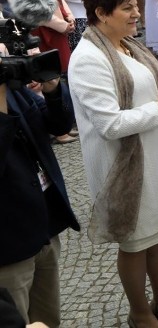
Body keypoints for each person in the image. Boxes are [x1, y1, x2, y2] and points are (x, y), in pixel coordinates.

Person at [67, 0, 158, 328]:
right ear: (100, 13)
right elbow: (109, 125)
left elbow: (148, 85)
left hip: (152, 152)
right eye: (127, 8)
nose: (137, 14)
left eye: (136, 6)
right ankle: (139, 313)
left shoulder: (126, 44)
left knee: (157, 233)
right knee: (135, 240)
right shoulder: (88, 59)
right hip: (122, 164)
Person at [0, 56, 79, 327]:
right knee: (16, 319)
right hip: (8, 245)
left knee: (47, 319)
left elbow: (57, 126)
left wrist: (53, 88)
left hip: (43, 225)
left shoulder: (13, 88)